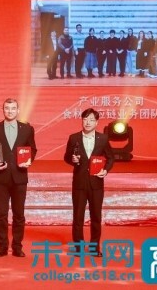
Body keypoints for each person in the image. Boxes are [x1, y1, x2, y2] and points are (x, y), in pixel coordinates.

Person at [0, 98, 37, 257]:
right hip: (0, 177)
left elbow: (33, 149)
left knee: (19, 214)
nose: (10, 111)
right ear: (3, 110)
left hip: (20, 177)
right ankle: (2, 247)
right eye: (7, 108)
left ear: (18, 111)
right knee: (1, 214)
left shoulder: (27, 129)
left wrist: (28, 160)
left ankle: (17, 246)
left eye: (13, 108)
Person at [64, 108, 114, 256]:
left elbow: (110, 158)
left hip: (96, 183)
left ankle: (94, 248)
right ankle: (79, 248)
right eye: (85, 119)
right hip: (79, 183)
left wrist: (105, 170)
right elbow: (66, 157)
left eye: (91, 120)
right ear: (82, 120)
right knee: (78, 217)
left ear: (96, 122)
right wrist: (72, 160)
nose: (88, 122)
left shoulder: (103, 139)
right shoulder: (74, 138)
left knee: (96, 217)